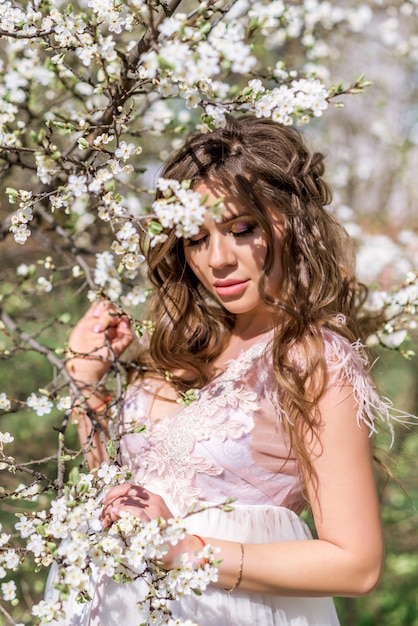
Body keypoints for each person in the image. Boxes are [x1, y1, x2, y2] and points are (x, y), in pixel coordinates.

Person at [47, 115, 394, 625]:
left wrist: (186, 552)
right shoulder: (181, 352)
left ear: (286, 221)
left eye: (241, 229)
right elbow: (124, 492)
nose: (218, 260)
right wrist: (87, 382)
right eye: (195, 238)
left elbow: (355, 564)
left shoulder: (308, 358)